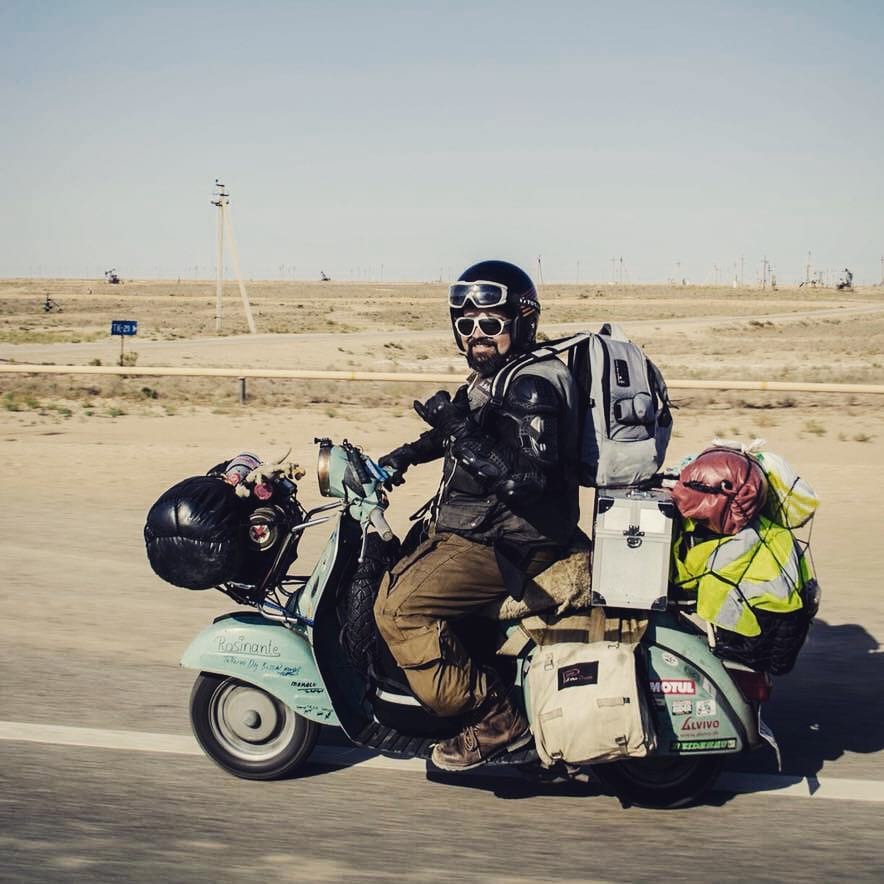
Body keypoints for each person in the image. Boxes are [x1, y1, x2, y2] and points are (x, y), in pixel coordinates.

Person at [373, 259, 580, 771]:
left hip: (513, 540)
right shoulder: (497, 377)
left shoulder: (533, 386)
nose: (476, 336)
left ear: (522, 323)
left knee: (398, 610)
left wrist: (459, 430)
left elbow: (526, 481)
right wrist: (399, 457)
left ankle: (495, 717)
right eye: (466, 326)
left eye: (490, 325)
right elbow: (459, 426)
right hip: (487, 528)